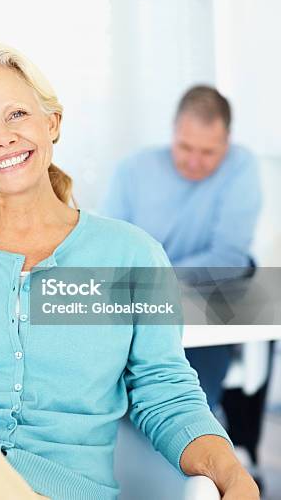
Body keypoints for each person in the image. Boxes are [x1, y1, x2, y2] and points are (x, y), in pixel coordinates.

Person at [0, 45, 259, 500]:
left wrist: (233, 473)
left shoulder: (130, 256)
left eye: (17, 114)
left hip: (65, 489)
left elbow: (167, 394)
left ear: (51, 122)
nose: (2, 136)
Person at [100, 85, 262, 409]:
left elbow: (229, 258)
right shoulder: (133, 170)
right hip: (136, 317)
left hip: (205, 316)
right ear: (173, 132)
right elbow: (111, 251)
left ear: (226, 142)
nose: (193, 161)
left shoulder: (241, 166)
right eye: (185, 147)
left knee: (186, 406)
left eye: (207, 152)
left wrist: (152, 282)